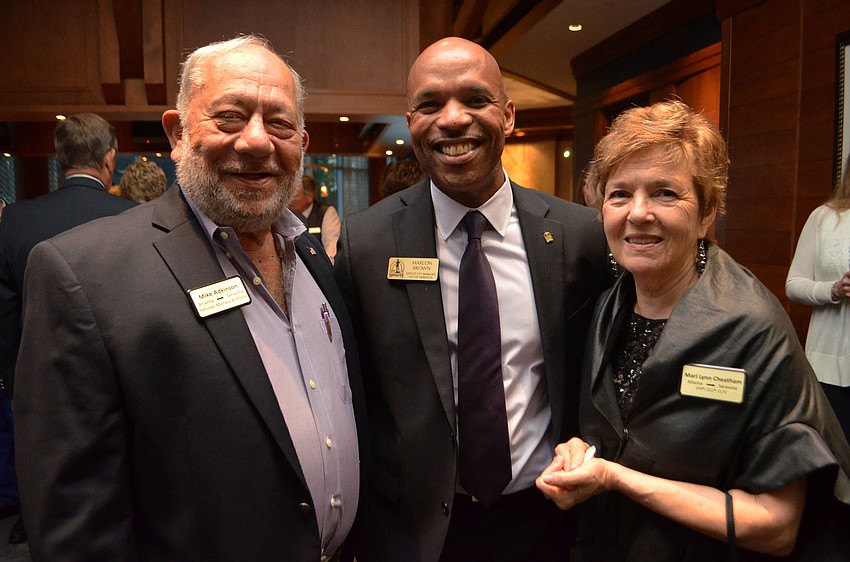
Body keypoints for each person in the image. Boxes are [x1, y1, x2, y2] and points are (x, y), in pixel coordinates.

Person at [14, 35, 366, 562]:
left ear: (302, 141)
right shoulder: (84, 273)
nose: (256, 141)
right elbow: (76, 521)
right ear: (177, 133)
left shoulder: (312, 254)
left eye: (280, 123)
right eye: (229, 116)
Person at [536, 100, 850, 561]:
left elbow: (776, 525)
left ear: (707, 214)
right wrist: (584, 451)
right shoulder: (610, 303)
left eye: (665, 193)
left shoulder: (751, 328)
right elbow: (629, 433)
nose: (638, 213)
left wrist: (616, 477)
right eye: (619, 194)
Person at [335, 37, 610, 562]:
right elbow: (356, 394)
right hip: (415, 530)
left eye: (475, 99)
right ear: (410, 119)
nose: (452, 120)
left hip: (545, 519)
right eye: (430, 105)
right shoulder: (367, 243)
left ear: (507, 115)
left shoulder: (579, 235)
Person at [0, 113, 136, 545]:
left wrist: (11, 380)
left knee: (44, 458)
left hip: (37, 372)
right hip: (122, 372)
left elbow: (7, 311)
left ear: (60, 158)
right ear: (110, 157)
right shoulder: (133, 217)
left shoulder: (17, 220)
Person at [786, 154, 850, 441]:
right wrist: (833, 290)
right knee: (831, 463)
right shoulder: (825, 218)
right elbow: (794, 285)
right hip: (828, 366)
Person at [289, 174, 340, 262]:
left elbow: (332, 249)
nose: (290, 200)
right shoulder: (286, 215)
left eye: (294, 196)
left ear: (309, 197)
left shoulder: (326, 212)